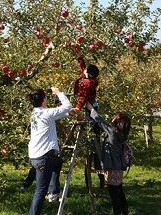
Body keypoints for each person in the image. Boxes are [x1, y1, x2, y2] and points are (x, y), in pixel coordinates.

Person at [27, 87, 72, 215]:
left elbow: (56, 114)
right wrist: (59, 93)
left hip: (36, 156)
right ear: (44, 99)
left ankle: (53, 191)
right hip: (44, 158)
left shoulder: (35, 113)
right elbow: (67, 105)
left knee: (58, 162)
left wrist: (67, 113)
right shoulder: (47, 113)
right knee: (40, 192)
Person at [85, 101, 131, 215]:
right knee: (119, 189)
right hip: (118, 167)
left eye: (115, 118)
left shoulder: (112, 132)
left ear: (118, 123)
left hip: (112, 168)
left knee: (114, 193)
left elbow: (101, 121)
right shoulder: (122, 134)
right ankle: (124, 211)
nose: (113, 119)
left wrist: (90, 109)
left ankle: (118, 212)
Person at [70, 56, 104, 188]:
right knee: (93, 141)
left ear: (88, 75)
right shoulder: (90, 79)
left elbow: (83, 97)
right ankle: (95, 179)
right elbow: (84, 69)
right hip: (92, 106)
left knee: (91, 143)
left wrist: (77, 108)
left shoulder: (87, 83)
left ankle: (94, 177)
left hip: (89, 109)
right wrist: (79, 58)